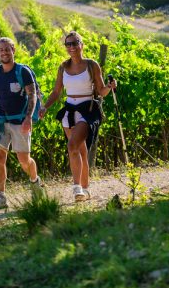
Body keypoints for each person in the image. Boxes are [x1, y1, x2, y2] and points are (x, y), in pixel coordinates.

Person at [0, 37, 44, 210]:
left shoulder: (22, 71)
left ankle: (35, 181)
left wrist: (28, 118)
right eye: (1, 50)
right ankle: (1, 196)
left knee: (24, 161)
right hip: (0, 121)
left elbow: (32, 95)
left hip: (20, 121)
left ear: (13, 50)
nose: (4, 52)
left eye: (7, 49)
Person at [43, 31, 116, 202]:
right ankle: (85, 188)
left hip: (87, 109)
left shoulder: (91, 65)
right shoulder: (63, 67)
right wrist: (45, 107)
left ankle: (76, 188)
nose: (72, 47)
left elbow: (100, 91)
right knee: (80, 150)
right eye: (68, 44)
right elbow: (56, 92)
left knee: (72, 145)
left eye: (75, 43)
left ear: (81, 45)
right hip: (69, 110)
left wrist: (110, 87)